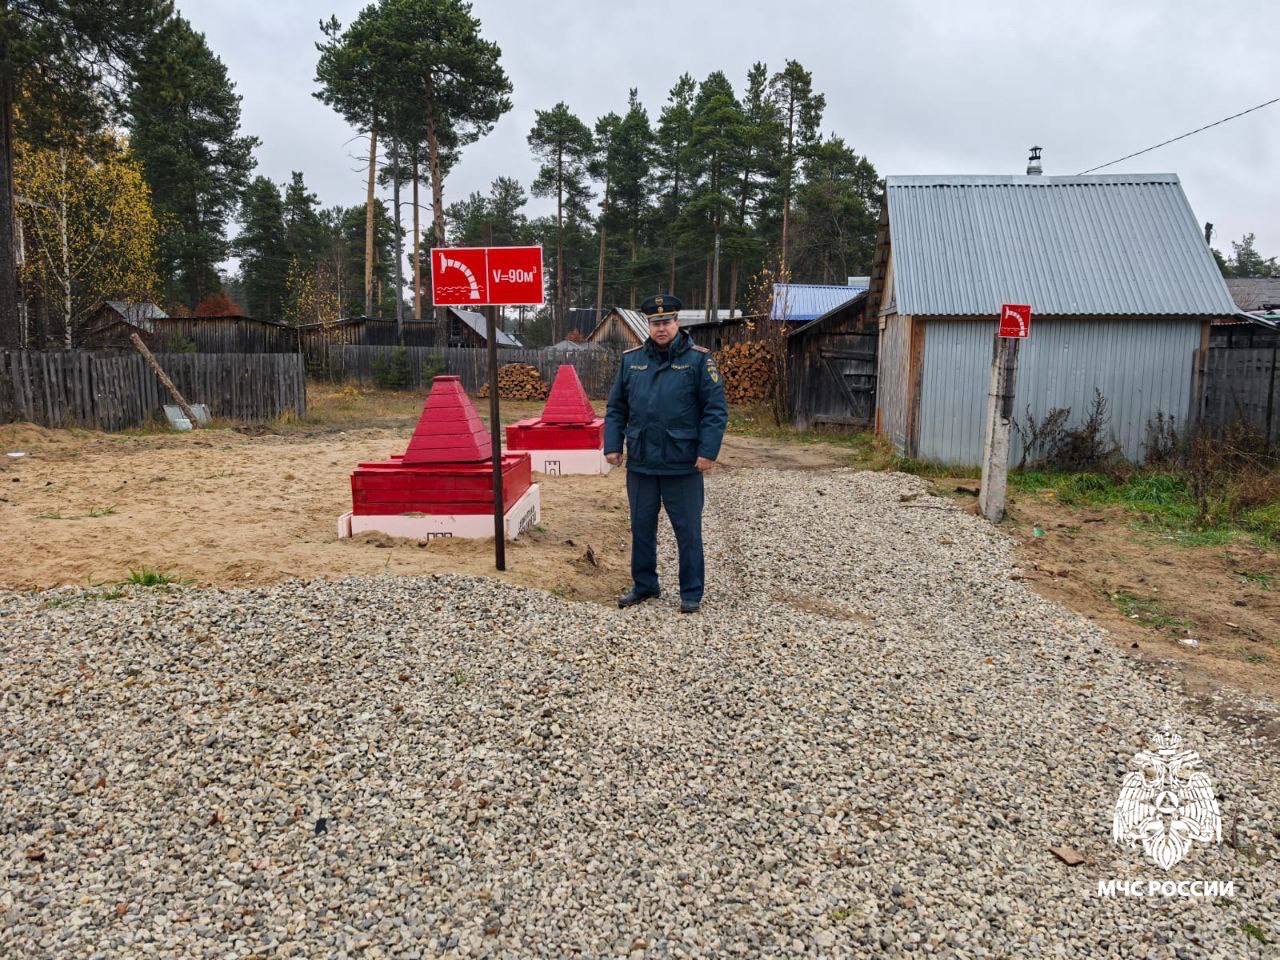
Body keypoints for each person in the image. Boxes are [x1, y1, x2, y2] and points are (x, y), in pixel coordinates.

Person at [604, 293, 728, 614]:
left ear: (677, 323)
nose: (661, 328)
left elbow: (715, 410)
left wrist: (708, 451)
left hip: (683, 463)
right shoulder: (631, 360)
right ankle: (645, 585)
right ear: (648, 324)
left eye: (667, 321)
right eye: (655, 322)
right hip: (642, 462)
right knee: (642, 527)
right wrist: (613, 445)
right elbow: (616, 408)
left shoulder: (699, 360)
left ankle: (690, 591)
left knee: (687, 531)